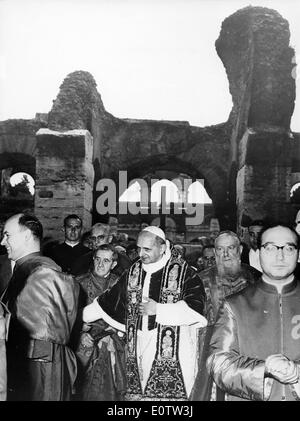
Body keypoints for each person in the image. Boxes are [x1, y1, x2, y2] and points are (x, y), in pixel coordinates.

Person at [83, 226, 207, 400]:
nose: (141, 254)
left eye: (147, 249)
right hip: (138, 347)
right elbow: (110, 300)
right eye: (139, 248)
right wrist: (79, 318)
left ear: (162, 248)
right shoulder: (134, 270)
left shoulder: (184, 272)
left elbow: (196, 308)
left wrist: (159, 310)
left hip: (174, 351)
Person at [206, 224, 300, 401]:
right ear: (259, 253)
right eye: (270, 247)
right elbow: (218, 364)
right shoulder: (234, 305)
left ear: (299, 254)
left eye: (288, 248)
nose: (280, 256)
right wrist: (264, 369)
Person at [0, 213, 79, 401]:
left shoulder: (43, 271)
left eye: (7, 235)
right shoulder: (26, 267)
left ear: (27, 236)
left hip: (41, 368)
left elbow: (52, 335)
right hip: (26, 364)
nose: (3, 241)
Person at [190, 230, 260, 400]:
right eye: (220, 249)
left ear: (240, 250)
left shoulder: (256, 278)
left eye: (231, 248)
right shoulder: (200, 280)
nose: (226, 254)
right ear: (215, 252)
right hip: (210, 349)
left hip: (248, 348)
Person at [75, 244, 126, 401]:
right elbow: (67, 317)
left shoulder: (121, 285)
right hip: (84, 344)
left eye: (106, 260)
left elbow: (128, 318)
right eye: (97, 259)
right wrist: (80, 333)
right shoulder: (77, 283)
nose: (101, 264)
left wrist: (114, 334)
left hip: (112, 343)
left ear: (114, 264)